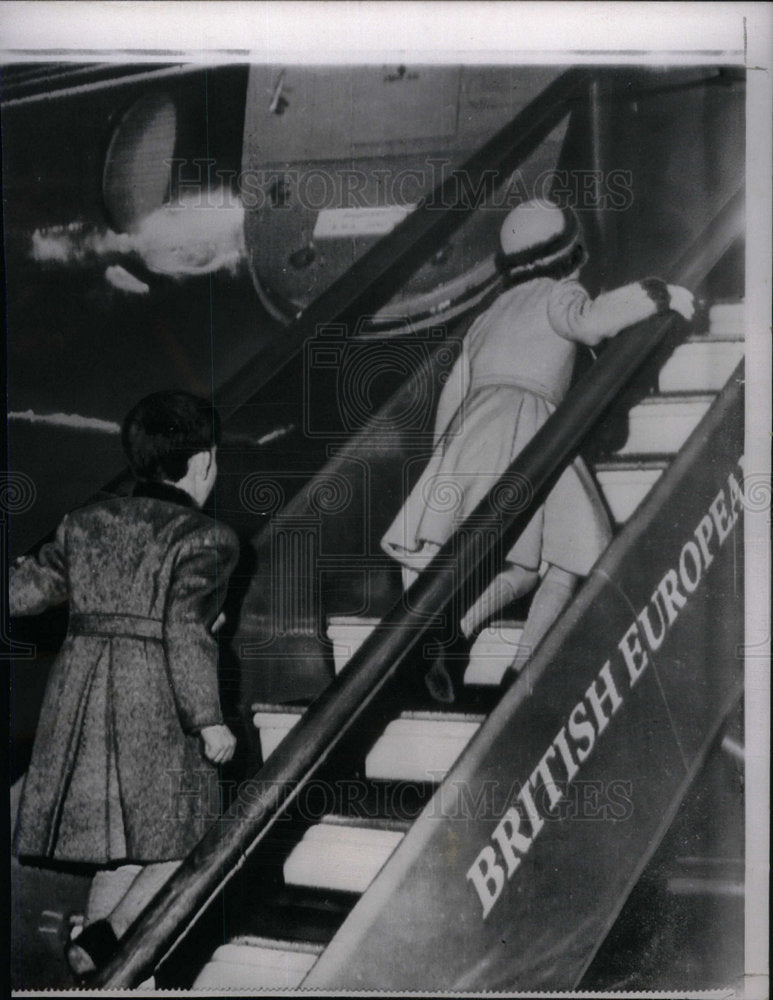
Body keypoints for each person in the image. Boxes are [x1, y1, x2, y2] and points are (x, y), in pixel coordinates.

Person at [381, 200, 694, 700]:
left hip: (471, 433)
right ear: (572, 253)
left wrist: (445, 466)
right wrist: (659, 295)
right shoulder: (559, 293)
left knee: (521, 564)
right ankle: (523, 671)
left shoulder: (488, 315)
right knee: (573, 555)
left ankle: (448, 634)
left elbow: (452, 395)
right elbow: (590, 323)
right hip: (530, 430)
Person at [9, 390, 240, 978]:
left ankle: (95, 965)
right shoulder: (206, 537)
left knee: (120, 843)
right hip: (153, 700)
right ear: (205, 462)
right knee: (193, 832)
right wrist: (208, 720)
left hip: (79, 702)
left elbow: (22, 596)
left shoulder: (83, 523)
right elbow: (185, 629)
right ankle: (111, 942)